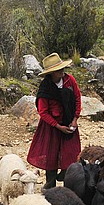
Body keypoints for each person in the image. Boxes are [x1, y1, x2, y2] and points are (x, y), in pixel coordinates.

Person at [26, 53, 82, 189]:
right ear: (51, 73)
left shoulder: (70, 81)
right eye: (58, 70)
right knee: (51, 157)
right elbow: (43, 112)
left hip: (69, 123)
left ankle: (63, 175)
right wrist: (57, 126)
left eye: (62, 68)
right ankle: (50, 187)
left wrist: (75, 119)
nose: (62, 72)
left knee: (72, 155)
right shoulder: (45, 88)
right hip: (51, 128)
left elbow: (77, 98)